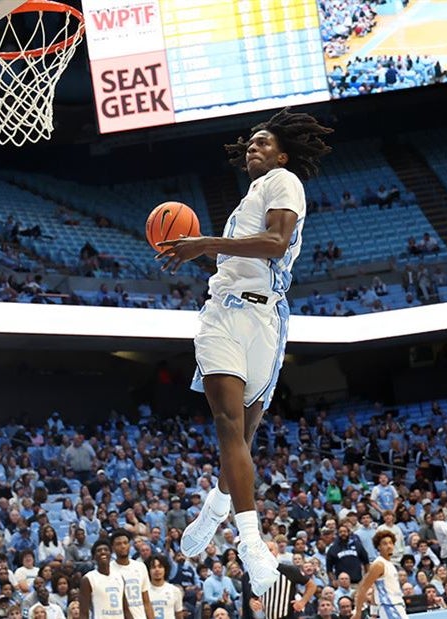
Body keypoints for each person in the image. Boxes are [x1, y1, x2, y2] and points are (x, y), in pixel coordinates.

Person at [156, 108, 332, 596]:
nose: (253, 148)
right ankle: (252, 543)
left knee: (245, 436)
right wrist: (203, 249)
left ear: (283, 155)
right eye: (250, 143)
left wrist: (204, 244)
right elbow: (239, 254)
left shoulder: (284, 182)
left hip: (265, 318)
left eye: (263, 142)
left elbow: (275, 243)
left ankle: (217, 505)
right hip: (222, 314)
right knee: (227, 425)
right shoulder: (247, 201)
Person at [241, 541, 316, 619]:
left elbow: (311, 585)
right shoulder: (249, 575)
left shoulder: (289, 571)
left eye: (270, 550)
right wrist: (252, 602)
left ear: (277, 552)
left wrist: (302, 602)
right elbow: (249, 599)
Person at [351, 531, 404, 619]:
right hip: (389, 606)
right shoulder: (379, 564)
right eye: (385, 544)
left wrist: (373, 614)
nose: (389, 546)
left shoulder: (390, 564)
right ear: (379, 547)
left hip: (397, 606)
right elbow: (363, 587)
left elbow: (375, 590)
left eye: (390, 543)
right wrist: (358, 612)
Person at [80, 539, 133, 619]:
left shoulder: (119, 577)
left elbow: (126, 609)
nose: (103, 552)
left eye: (106, 550)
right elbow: (83, 613)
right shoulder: (88, 579)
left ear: (110, 554)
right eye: (99, 551)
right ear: (94, 557)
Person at [110, 532, 153, 619]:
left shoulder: (140, 566)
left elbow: (146, 601)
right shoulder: (109, 569)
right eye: (118, 544)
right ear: (113, 548)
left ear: (129, 545)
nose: (123, 546)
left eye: (125, 543)